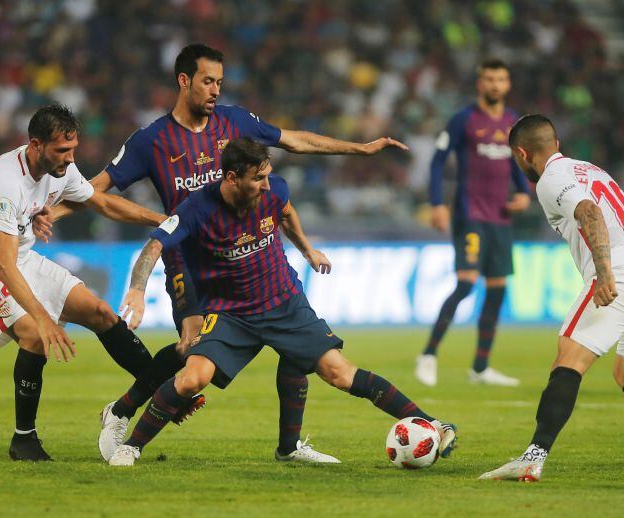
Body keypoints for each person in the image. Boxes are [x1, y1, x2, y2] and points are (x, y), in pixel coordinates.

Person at [34, 43, 409, 462]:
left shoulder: (234, 121)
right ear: (184, 81)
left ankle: (289, 446)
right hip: (187, 263)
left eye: (219, 82)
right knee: (189, 348)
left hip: (242, 260)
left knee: (291, 342)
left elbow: (295, 141)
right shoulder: (151, 140)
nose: (215, 90)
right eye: (208, 81)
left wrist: (360, 149)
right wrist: (55, 211)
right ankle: (121, 411)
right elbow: (97, 186)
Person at [103, 138, 456, 466]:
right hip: (230, 312)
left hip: (283, 300)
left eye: (268, 176)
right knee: (194, 377)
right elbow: (154, 246)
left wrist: (306, 249)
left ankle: (433, 424)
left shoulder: (274, 191)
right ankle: (131, 447)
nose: (268, 185)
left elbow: (286, 212)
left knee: (339, 373)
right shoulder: (197, 209)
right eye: (258, 179)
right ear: (231, 178)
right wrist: (136, 287)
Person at [0, 104, 198, 461]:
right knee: (35, 333)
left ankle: (160, 391)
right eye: (62, 151)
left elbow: (103, 203)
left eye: (73, 149)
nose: (69, 158)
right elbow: (3, 265)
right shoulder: (4, 180)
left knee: (99, 311)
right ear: (36, 145)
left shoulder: (60, 170)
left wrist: (166, 221)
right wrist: (45, 319)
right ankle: (24, 439)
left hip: (22, 257)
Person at [479, 114, 624, 482]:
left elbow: (589, 211)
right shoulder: (590, 169)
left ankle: (532, 457)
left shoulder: (551, 179)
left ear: (523, 153)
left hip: (622, 274)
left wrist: (604, 273)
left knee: (568, 361)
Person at [415, 58, 531, 387]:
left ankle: (480, 367)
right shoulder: (463, 119)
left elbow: (518, 164)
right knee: (465, 284)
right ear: (480, 84)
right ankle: (428, 354)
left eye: (501, 79)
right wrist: (437, 203)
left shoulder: (513, 122)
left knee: (497, 291)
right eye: (489, 79)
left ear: (507, 85)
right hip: (470, 213)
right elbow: (438, 161)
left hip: (501, 217)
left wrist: (524, 193)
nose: (495, 85)